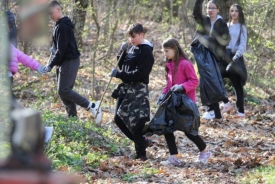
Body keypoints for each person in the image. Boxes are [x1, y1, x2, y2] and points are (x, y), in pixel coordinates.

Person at [43, 1, 102, 122]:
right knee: (63, 92)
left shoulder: (63, 26)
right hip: (63, 61)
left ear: (58, 9)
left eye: (51, 13)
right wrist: (53, 49)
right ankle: (73, 119)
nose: (50, 16)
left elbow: (61, 50)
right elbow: (59, 46)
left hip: (69, 60)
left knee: (63, 90)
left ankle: (92, 106)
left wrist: (50, 65)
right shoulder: (59, 25)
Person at [157, 38, 211, 165]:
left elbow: (194, 81)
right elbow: (169, 84)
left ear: (175, 49)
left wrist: (182, 87)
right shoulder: (169, 65)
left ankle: (204, 151)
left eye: (167, 51)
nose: (165, 54)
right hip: (172, 103)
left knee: (188, 131)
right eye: (163, 51)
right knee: (167, 128)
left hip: (186, 103)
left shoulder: (186, 64)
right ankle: (174, 157)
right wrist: (163, 95)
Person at [110, 23, 154, 161]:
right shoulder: (131, 47)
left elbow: (140, 73)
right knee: (118, 118)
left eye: (134, 36)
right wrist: (120, 52)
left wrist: (119, 75)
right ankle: (142, 141)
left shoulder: (146, 51)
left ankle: (141, 154)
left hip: (138, 90)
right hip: (126, 88)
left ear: (142, 35)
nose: (131, 39)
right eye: (130, 37)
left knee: (136, 123)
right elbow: (123, 65)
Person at [192, 0, 231, 121]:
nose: (210, 10)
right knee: (206, 83)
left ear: (218, 9)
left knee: (212, 83)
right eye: (208, 8)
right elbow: (195, 14)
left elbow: (226, 40)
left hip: (214, 57)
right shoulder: (204, 20)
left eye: (213, 8)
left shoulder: (222, 24)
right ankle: (216, 112)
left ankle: (220, 106)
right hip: (202, 56)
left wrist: (211, 41)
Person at [223, 4, 247, 117]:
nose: (233, 13)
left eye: (236, 11)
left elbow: (243, 44)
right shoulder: (226, 26)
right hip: (225, 57)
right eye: (232, 11)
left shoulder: (242, 27)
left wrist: (236, 56)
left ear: (240, 13)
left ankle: (240, 111)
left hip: (236, 58)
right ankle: (225, 102)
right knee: (216, 77)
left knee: (237, 85)